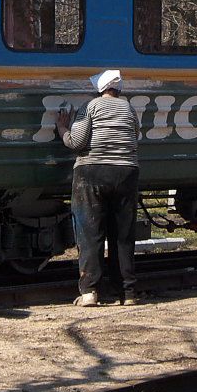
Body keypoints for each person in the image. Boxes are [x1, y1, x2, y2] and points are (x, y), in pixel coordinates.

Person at [56, 69, 141, 307]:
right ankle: (127, 294)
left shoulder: (90, 107)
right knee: (122, 236)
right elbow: (135, 137)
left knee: (91, 234)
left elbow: (77, 142)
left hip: (92, 173)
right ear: (118, 90)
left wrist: (62, 128)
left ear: (99, 89)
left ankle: (90, 292)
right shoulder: (129, 109)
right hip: (126, 173)